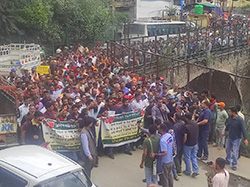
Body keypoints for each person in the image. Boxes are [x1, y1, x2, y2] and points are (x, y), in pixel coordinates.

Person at [223, 106, 248, 171]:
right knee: (227, 149)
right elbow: (228, 125)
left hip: (236, 138)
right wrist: (225, 131)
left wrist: (245, 138)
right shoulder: (230, 118)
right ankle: (228, 160)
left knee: (235, 152)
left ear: (233, 112)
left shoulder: (240, 120)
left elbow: (243, 129)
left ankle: (234, 164)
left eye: (230, 111)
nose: (229, 113)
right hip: (230, 136)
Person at [183, 113, 199, 177]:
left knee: (187, 157)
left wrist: (183, 142)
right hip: (194, 143)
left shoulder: (186, 126)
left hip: (188, 144)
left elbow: (185, 136)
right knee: (193, 157)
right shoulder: (195, 124)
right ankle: (196, 170)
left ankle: (188, 171)